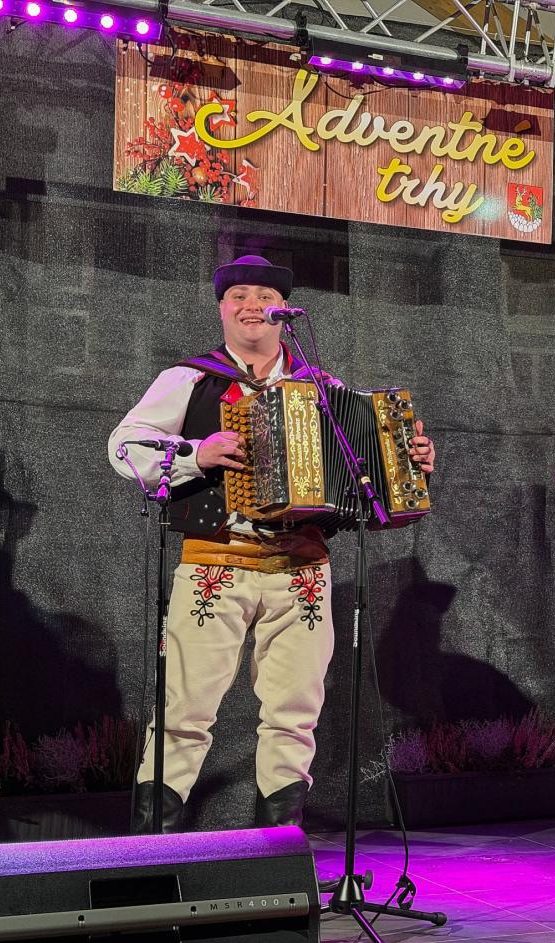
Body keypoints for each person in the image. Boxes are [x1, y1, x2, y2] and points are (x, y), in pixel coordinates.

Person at [109, 254, 436, 831]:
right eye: (238, 295)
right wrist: (197, 454)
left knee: (294, 712)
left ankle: (276, 849)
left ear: (285, 310)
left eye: (265, 295)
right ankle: (152, 851)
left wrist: (407, 462)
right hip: (216, 558)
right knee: (184, 708)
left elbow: (368, 473)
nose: (251, 304)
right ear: (221, 309)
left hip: (301, 566)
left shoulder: (324, 390)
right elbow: (123, 445)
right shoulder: (190, 379)